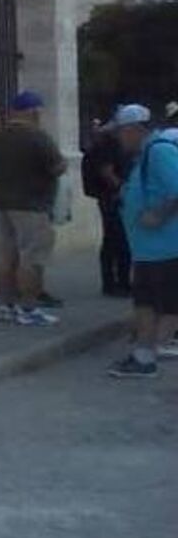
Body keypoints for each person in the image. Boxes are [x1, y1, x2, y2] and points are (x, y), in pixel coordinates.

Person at [103, 104, 178, 378]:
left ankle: (147, 356)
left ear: (134, 130)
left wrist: (159, 215)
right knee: (148, 303)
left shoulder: (158, 152)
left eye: (120, 132)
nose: (118, 139)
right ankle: (146, 355)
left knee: (160, 305)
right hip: (150, 248)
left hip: (164, 247)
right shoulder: (146, 154)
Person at [0, 89, 67, 325]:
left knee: (4, 258)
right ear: (33, 112)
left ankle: (6, 306)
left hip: (0, 203)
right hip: (32, 204)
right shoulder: (38, 137)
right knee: (32, 257)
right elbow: (57, 166)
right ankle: (29, 308)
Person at [82, 112, 134, 297]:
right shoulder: (109, 145)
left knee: (112, 240)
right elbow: (107, 172)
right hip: (112, 197)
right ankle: (120, 283)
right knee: (119, 241)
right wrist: (123, 190)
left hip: (108, 196)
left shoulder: (104, 143)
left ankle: (112, 282)